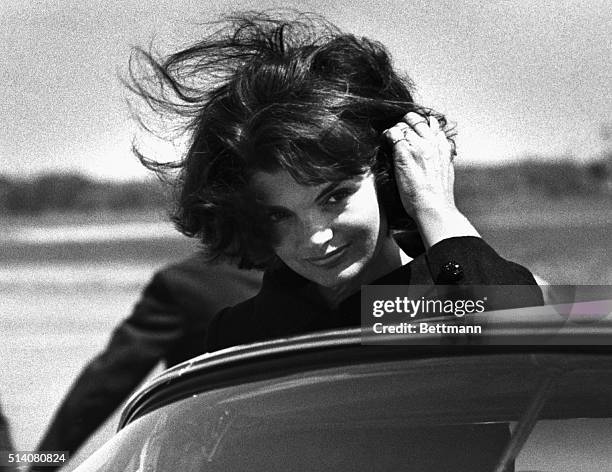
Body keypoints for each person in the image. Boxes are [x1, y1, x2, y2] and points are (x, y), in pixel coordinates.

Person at [126, 13, 542, 471]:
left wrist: (436, 208)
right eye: (278, 215)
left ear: (388, 177)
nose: (315, 238)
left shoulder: (451, 298)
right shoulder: (239, 335)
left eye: (335, 196)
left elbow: (523, 328)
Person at [35, 253, 261, 465]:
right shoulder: (289, 278)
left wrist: (41, 464)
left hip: (215, 456)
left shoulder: (186, 283)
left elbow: (104, 385)